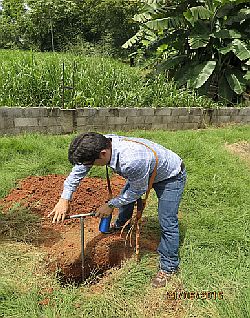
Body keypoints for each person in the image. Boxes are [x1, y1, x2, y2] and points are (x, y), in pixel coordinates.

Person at [49, 132, 187, 288]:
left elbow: (137, 191)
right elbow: (78, 172)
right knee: (125, 199)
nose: (90, 167)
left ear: (103, 154)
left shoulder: (132, 160)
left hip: (170, 177)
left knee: (167, 221)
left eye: (92, 163)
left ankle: (168, 267)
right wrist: (64, 199)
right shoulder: (99, 144)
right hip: (143, 170)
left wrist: (110, 205)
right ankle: (121, 225)